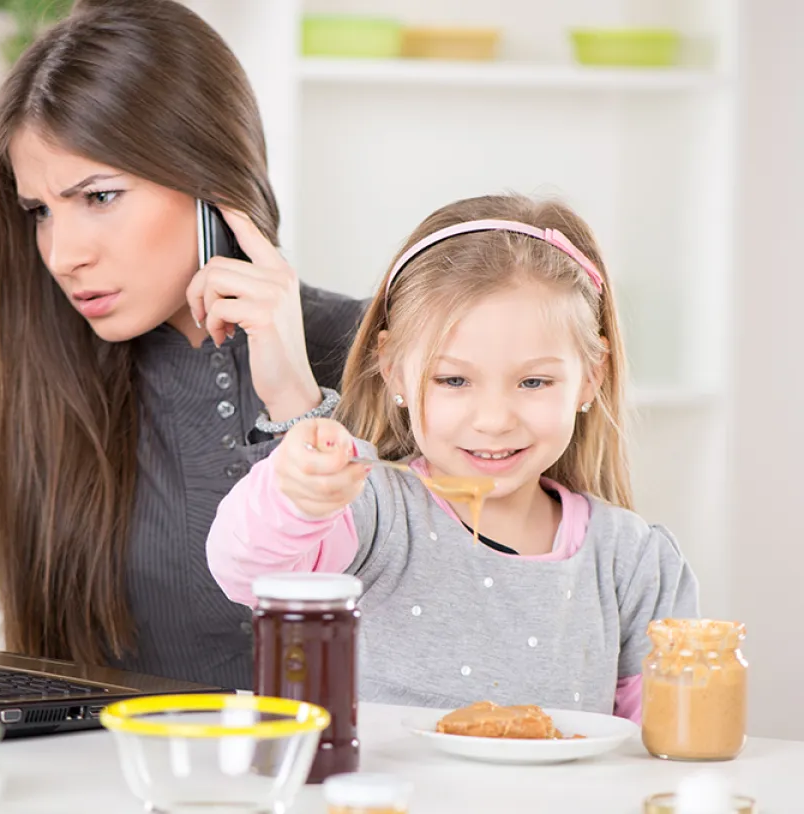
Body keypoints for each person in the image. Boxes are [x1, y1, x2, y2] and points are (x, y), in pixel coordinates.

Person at [0, 0, 365, 690]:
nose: (63, 255)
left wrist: (296, 404)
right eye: (40, 211)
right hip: (99, 756)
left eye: (100, 197)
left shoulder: (377, 347)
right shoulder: (23, 342)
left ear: (212, 181)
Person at [207, 193, 699, 721]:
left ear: (590, 379)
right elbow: (247, 570)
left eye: (534, 382)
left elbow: (661, 741)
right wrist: (299, 492)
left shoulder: (635, 563)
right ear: (394, 370)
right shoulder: (367, 510)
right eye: (454, 380)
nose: (494, 419)